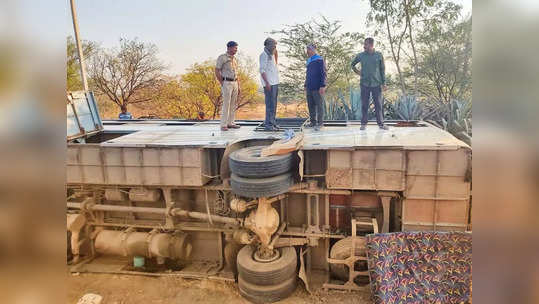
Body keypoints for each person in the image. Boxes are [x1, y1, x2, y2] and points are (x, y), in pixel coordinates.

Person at [351, 37, 388, 130]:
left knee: (378, 105)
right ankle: (363, 123)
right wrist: (358, 72)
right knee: (364, 104)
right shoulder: (361, 55)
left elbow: (382, 70)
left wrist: (384, 83)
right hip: (364, 84)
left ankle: (381, 124)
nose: (364, 46)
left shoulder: (379, 55)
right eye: (364, 44)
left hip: (376, 84)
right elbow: (352, 64)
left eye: (366, 44)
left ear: (371, 45)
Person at [215, 41, 241, 131]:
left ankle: (231, 123)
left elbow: (237, 73)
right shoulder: (222, 57)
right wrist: (221, 82)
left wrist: (239, 85)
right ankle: (223, 125)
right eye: (235, 48)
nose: (236, 50)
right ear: (229, 48)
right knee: (226, 104)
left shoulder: (235, 59)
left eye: (236, 48)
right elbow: (217, 70)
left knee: (233, 104)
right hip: (226, 82)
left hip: (235, 83)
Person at [304, 44, 327, 131]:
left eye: (309, 49)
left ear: (314, 50)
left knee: (319, 105)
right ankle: (313, 122)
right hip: (309, 86)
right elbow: (307, 74)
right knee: (311, 105)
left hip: (318, 87)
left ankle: (320, 123)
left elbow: (323, 74)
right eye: (307, 49)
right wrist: (305, 85)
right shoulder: (309, 60)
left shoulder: (319, 60)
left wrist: (322, 86)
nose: (307, 51)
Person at [259, 37, 280, 131]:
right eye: (273, 45)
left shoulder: (271, 54)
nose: (275, 47)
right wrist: (266, 83)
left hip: (275, 82)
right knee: (270, 105)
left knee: (274, 104)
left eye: (275, 45)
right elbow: (262, 70)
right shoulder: (264, 55)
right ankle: (269, 125)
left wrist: (276, 52)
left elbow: (276, 53)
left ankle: (273, 123)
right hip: (269, 83)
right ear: (268, 45)